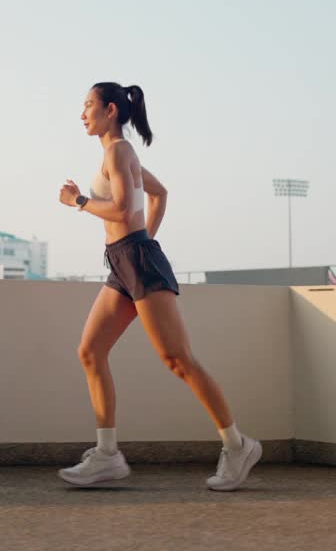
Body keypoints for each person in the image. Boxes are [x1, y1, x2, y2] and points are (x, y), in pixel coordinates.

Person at [56, 82, 261, 491]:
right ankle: (108, 455)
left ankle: (238, 446)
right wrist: (140, 241)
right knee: (90, 351)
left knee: (178, 359)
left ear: (110, 110)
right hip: (124, 261)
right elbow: (159, 194)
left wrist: (78, 202)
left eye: (88, 105)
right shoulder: (117, 154)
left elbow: (122, 209)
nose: (82, 113)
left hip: (137, 261)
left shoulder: (118, 151)